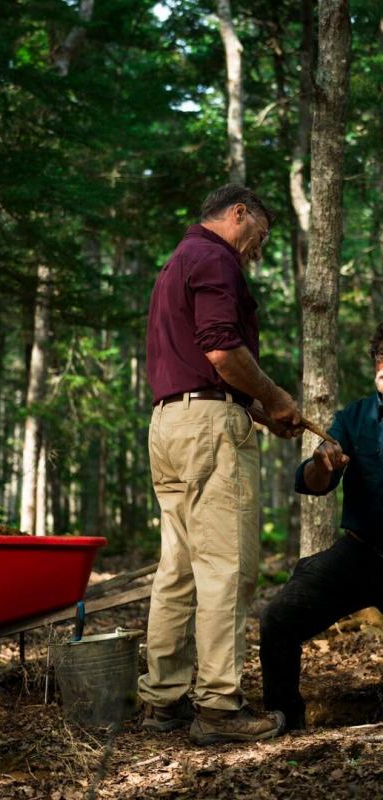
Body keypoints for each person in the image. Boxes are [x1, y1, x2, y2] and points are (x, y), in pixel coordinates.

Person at [138, 183, 303, 746]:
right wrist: (277, 397)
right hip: (208, 429)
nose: (258, 247)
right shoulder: (215, 258)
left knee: (179, 570)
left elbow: (201, 366)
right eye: (259, 233)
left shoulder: (177, 262)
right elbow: (221, 352)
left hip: (169, 424)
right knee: (227, 568)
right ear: (239, 214)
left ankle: (163, 702)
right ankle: (219, 708)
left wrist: (259, 410)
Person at [260, 323, 383, 731]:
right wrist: (321, 461)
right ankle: (284, 722)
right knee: (279, 619)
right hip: (363, 553)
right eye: (379, 359)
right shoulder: (354, 417)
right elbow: (314, 484)